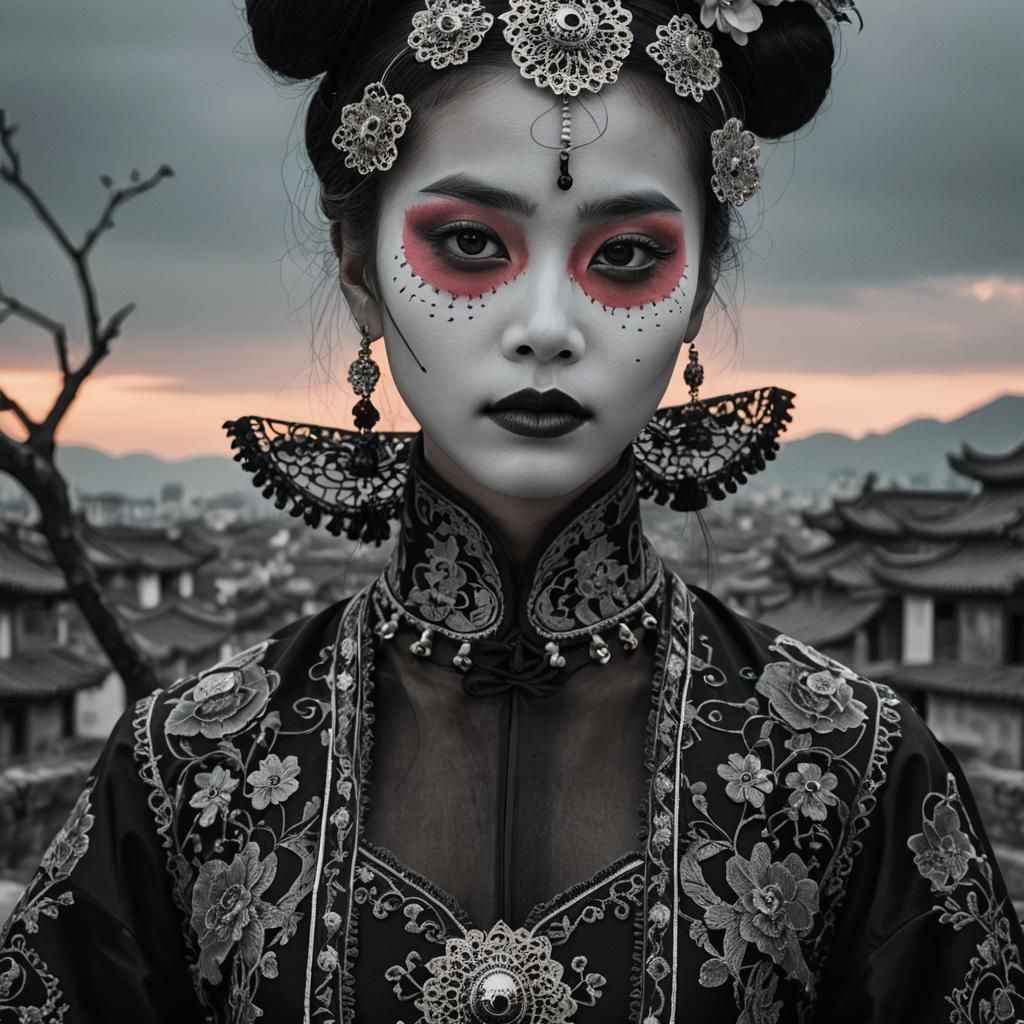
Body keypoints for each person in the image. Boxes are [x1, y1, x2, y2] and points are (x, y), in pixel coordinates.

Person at [3, 0, 1023, 1020]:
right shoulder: (184, 771)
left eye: (624, 256)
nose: (544, 326)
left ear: (701, 287)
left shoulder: (853, 769)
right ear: (358, 271)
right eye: (467, 242)